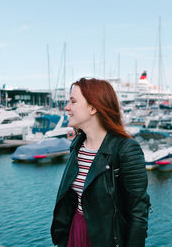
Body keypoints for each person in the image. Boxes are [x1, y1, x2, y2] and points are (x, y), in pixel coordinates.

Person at [51, 78, 150, 247]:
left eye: (73, 101)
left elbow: (138, 213)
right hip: (76, 230)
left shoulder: (126, 149)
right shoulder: (77, 145)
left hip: (105, 238)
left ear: (93, 108)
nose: (67, 107)